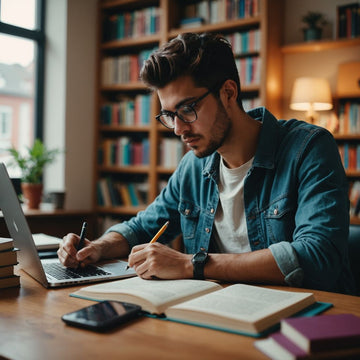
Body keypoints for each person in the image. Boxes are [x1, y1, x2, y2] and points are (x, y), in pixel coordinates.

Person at [58, 33, 356, 295]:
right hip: (219, 312)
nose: (177, 129)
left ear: (228, 92)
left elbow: (318, 258)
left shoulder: (308, 148)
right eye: (169, 115)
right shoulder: (193, 167)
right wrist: (98, 247)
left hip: (303, 318)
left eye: (187, 109)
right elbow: (141, 227)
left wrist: (191, 264)